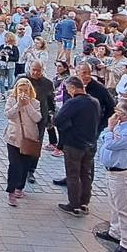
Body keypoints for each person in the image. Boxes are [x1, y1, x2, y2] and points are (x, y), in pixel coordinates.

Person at [94, 100, 127, 252]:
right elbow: (103, 136)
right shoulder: (121, 126)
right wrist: (109, 132)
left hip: (122, 174)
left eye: (118, 111)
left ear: (125, 115)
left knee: (124, 209)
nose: (115, 114)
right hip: (112, 172)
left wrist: (110, 129)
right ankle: (115, 232)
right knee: (114, 205)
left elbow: (110, 144)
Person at [52, 78, 100, 217]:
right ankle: (84, 202)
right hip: (90, 143)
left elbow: (58, 119)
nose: (67, 92)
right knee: (86, 173)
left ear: (73, 88)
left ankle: (74, 205)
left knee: (73, 174)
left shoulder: (73, 102)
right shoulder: (94, 102)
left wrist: (66, 126)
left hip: (74, 144)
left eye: (68, 89)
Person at [2, 78, 42, 206]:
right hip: (13, 138)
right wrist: (18, 105)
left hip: (28, 138)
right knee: (14, 165)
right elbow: (8, 114)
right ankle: (11, 191)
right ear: (16, 90)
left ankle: (20, 187)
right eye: (20, 90)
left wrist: (28, 105)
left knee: (25, 165)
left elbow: (37, 118)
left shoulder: (35, 103)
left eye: (26, 90)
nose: (23, 92)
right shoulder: (11, 100)